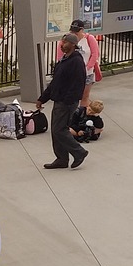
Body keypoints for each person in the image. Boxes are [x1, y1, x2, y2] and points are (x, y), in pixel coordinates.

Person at [36, 32, 89, 170]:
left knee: (59, 130)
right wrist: (42, 99)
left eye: (65, 42)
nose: (62, 44)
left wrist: (68, 100)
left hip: (66, 102)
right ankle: (61, 159)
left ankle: (79, 152)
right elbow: (55, 83)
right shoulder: (64, 60)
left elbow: (78, 83)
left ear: (73, 44)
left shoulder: (76, 61)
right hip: (59, 100)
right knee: (56, 130)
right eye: (62, 41)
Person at [68, 20, 102, 107]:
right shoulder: (68, 39)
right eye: (72, 31)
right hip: (72, 73)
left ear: (82, 30)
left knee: (85, 96)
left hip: (87, 72)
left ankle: (83, 113)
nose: (74, 33)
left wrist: (87, 68)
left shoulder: (89, 39)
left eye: (77, 31)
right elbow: (61, 55)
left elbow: (95, 54)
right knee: (71, 97)